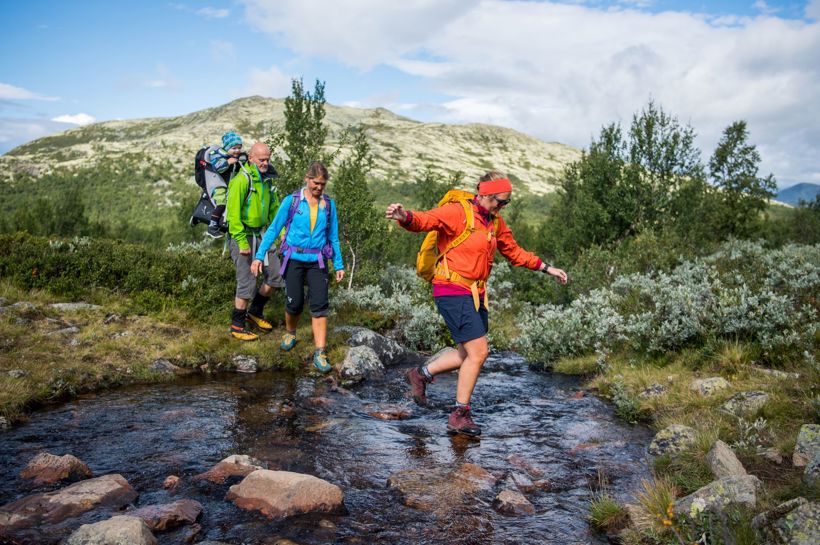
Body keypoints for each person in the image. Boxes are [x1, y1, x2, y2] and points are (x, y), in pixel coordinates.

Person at [385, 171, 568, 436]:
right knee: (479, 353)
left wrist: (546, 268)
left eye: (506, 203)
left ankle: (420, 374)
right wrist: (405, 217)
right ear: (484, 194)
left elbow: (514, 252)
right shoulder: (457, 211)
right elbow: (426, 220)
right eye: (500, 201)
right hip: (451, 288)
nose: (502, 207)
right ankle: (459, 414)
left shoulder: (495, 222)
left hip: (476, 293)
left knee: (466, 353)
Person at [251, 161, 345, 373]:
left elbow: (333, 237)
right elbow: (274, 229)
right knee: (294, 303)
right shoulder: (292, 201)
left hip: (318, 261)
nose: (319, 188)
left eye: (322, 184)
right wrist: (259, 256)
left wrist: (338, 264)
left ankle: (320, 352)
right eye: (316, 183)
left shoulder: (329, 205)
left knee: (320, 307)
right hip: (293, 259)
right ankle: (291, 332)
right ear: (307, 178)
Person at [225, 142, 285, 341]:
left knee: (276, 276)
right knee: (247, 282)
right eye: (262, 160)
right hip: (243, 236)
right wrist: (242, 243)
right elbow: (232, 216)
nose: (265, 163)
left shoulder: (267, 181)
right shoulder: (242, 180)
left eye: (268, 159)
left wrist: (282, 231)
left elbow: (275, 210)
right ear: (251, 158)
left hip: (263, 235)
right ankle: (237, 326)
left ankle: (255, 312)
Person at [205, 131, 246, 239]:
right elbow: (218, 167)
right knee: (222, 203)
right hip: (217, 185)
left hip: (227, 185)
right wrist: (228, 162)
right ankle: (212, 226)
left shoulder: (233, 156)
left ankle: (226, 224)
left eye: (239, 148)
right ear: (227, 147)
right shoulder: (217, 155)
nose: (237, 151)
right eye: (234, 148)